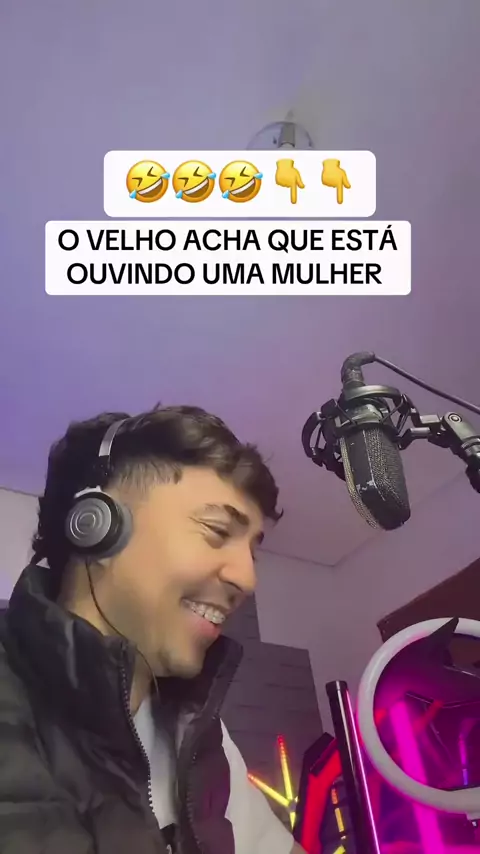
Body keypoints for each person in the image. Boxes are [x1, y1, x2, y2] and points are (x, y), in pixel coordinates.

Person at [0, 405, 307, 854]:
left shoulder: (201, 735)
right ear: (96, 526)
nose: (247, 580)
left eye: (252, 553)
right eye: (216, 530)